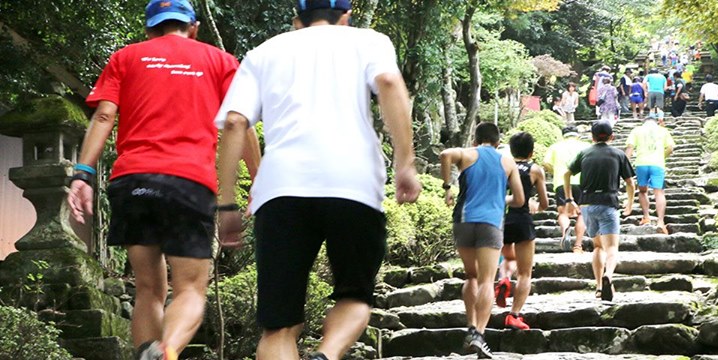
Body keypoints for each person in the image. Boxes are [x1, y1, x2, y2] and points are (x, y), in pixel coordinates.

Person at [213, 1, 423, 359]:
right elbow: (388, 81)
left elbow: (234, 122)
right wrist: (406, 162)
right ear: (346, 15)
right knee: (354, 297)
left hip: (280, 191)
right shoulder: (368, 41)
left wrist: (227, 200)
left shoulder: (264, 52)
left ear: (297, 20)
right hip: (353, 185)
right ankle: (326, 355)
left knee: (279, 326)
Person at [66, 2, 259, 359]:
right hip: (189, 182)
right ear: (194, 27)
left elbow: (105, 114)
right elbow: (239, 123)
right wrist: (259, 179)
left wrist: (83, 174)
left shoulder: (126, 57)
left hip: (132, 181)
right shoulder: (220, 61)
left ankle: (148, 352)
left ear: (148, 29)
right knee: (190, 290)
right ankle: (166, 351)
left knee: (148, 290)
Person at [440, 123, 524, 358]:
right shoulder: (507, 162)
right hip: (490, 223)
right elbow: (519, 199)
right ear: (498, 142)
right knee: (487, 280)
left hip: (463, 221)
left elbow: (445, 154)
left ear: (476, 139)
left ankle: (470, 325)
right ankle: (478, 334)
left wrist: (447, 187)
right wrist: (500, 199)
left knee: (471, 276)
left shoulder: (467, 154)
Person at [564, 121, 635, 302]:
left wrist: (569, 198)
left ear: (592, 137)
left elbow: (567, 173)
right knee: (611, 247)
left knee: (597, 246)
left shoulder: (584, 153)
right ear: (612, 136)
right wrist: (629, 203)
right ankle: (609, 276)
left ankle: (598, 287)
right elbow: (629, 182)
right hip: (608, 203)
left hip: (587, 205)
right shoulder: (618, 154)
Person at [494, 132, 549, 331]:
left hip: (499, 219)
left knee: (508, 258)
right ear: (531, 151)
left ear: (511, 149)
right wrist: (534, 204)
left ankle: (503, 279)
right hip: (522, 219)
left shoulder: (501, 165)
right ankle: (514, 315)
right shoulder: (535, 170)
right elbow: (544, 203)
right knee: (525, 273)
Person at [625, 114, 675, 235]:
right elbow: (670, 148)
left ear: (644, 122)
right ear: (655, 122)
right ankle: (660, 221)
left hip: (641, 164)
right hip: (657, 164)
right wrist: (662, 157)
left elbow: (630, 148)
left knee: (642, 190)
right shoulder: (663, 130)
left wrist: (624, 165)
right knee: (659, 192)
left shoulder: (637, 130)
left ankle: (646, 216)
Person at [543, 127, 590, 254]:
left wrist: (555, 171)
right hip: (582, 182)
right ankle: (578, 246)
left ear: (563, 135)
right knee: (582, 214)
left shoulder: (555, 146)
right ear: (577, 134)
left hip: (561, 182)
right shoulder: (586, 146)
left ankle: (565, 230)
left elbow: (545, 163)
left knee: (563, 212)